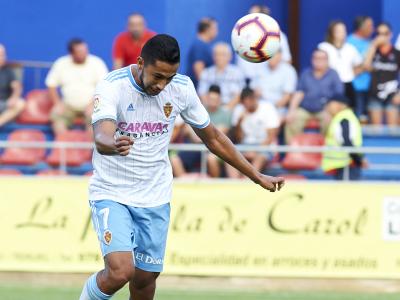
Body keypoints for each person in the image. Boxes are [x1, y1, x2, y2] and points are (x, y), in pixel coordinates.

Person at [79, 34, 284, 300]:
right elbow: (101, 136)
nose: (162, 85)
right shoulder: (112, 85)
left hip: (155, 196)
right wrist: (113, 143)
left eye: (169, 77)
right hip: (112, 191)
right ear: (141, 63)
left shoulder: (182, 88)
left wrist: (255, 176)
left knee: (144, 280)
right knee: (120, 272)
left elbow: (213, 138)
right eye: (157, 76)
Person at [45, 38, 108, 134]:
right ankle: (65, 146)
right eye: (80, 51)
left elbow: (104, 87)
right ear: (71, 53)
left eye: (85, 50)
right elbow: (51, 84)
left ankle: (88, 148)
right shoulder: (61, 63)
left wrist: (93, 104)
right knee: (56, 118)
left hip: (92, 105)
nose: (84, 53)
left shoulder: (97, 63)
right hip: (68, 106)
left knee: (96, 121)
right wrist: (57, 103)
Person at [285, 49, 344, 144]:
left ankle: (325, 151)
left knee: (330, 123)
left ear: (327, 60)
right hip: (305, 109)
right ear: (312, 60)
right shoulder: (306, 74)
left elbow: (337, 97)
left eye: (322, 58)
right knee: (292, 120)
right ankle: (292, 151)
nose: (319, 60)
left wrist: (329, 111)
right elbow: (299, 93)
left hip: (325, 110)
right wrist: (292, 110)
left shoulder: (333, 75)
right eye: (316, 58)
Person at [227, 88, 280, 178]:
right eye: (244, 103)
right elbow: (239, 138)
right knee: (229, 157)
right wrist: (239, 122)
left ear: (254, 99)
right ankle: (234, 184)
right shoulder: (239, 110)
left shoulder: (267, 107)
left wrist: (255, 150)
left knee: (259, 158)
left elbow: (270, 137)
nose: (246, 105)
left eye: (248, 102)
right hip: (245, 145)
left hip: (264, 147)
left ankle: (247, 183)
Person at [236, 4, 292, 84]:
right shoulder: (242, 35)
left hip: (267, 84)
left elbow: (287, 61)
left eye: (252, 16)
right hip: (244, 82)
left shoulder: (278, 36)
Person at [318, 21, 363, 110]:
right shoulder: (324, 47)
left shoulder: (350, 48)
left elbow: (359, 65)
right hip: (330, 85)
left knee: (349, 112)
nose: (342, 33)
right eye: (339, 31)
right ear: (332, 33)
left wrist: (351, 75)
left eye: (344, 31)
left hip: (347, 84)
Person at [364, 22, 400, 126]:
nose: (382, 36)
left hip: (392, 94)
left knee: (393, 129)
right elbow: (366, 66)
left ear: (390, 34)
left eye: (385, 33)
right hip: (375, 93)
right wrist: (373, 45)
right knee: (376, 129)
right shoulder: (373, 51)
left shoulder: (397, 53)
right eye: (379, 33)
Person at [322, 95, 363, 180]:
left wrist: (358, 160)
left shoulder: (344, 118)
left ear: (340, 105)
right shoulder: (342, 117)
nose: (327, 108)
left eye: (329, 105)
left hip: (347, 165)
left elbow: (347, 141)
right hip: (343, 164)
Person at [250, 50, 297, 120]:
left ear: (280, 56)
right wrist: (255, 93)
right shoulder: (260, 68)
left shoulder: (289, 70)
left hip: (278, 108)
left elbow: (287, 97)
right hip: (259, 106)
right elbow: (252, 91)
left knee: (272, 120)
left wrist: (270, 109)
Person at [198, 42, 245, 110]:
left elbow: (240, 94)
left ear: (230, 56)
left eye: (223, 54)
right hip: (210, 108)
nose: (219, 57)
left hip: (231, 108)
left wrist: (227, 109)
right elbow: (202, 93)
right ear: (213, 56)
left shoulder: (237, 73)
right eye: (217, 54)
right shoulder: (206, 73)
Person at [347, 16, 374, 120]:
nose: (373, 28)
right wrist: (365, 66)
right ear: (361, 27)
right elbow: (351, 68)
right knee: (357, 119)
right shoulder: (349, 42)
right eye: (370, 25)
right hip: (355, 87)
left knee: (368, 120)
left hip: (370, 87)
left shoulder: (369, 42)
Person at [186, 17, 218, 87]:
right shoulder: (199, 46)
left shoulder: (202, 45)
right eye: (215, 28)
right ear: (207, 30)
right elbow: (199, 72)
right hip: (198, 91)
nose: (217, 31)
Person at [0, 44, 25, 127]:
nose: (3, 57)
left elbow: (17, 86)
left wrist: (14, 97)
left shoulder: (8, 71)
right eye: (0, 55)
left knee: (20, 103)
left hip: (4, 103)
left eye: (3, 55)